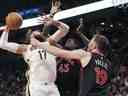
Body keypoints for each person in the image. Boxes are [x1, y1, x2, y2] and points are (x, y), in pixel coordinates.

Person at [0, 16, 69, 96]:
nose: (35, 32)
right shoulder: (25, 49)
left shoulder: (49, 43)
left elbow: (65, 29)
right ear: (30, 39)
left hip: (51, 86)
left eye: (37, 32)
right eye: (32, 33)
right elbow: (2, 44)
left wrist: (54, 22)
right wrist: (7, 28)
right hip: (36, 87)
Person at [31, 33, 113, 96]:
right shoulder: (109, 65)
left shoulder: (86, 55)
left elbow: (60, 52)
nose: (89, 44)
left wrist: (38, 44)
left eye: (90, 42)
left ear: (94, 45)